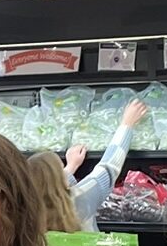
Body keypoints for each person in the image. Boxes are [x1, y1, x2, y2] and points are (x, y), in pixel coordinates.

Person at [60, 98, 150, 230]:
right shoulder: (77, 200)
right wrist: (127, 124)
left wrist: (70, 167)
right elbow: (108, 167)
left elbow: (48, 185)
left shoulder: (30, 211)